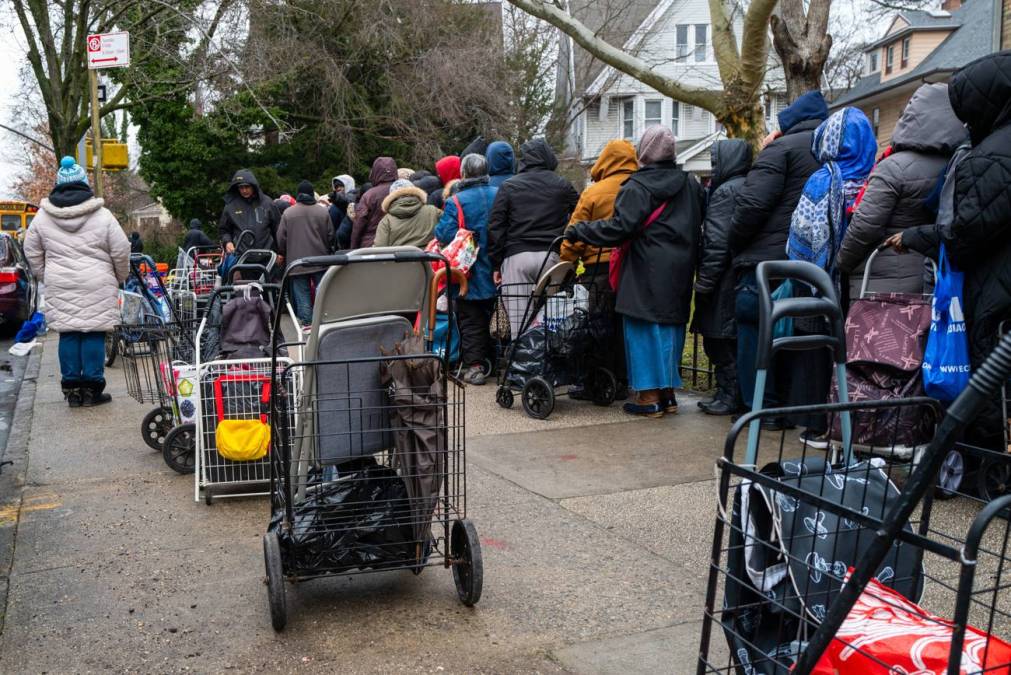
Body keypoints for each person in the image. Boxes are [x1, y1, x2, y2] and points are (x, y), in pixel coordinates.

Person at [886, 51, 1011, 446]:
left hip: (996, 292)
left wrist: (915, 238)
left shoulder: (990, 156)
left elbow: (964, 237)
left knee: (992, 381)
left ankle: (988, 475)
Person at [567, 126, 704, 417]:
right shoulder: (690, 184)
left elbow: (620, 228)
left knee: (642, 329)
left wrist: (582, 230)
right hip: (680, 268)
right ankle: (668, 394)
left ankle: (648, 397)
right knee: (670, 327)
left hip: (645, 267)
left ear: (644, 152)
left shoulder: (636, 187)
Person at [728, 90, 827, 428]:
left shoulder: (779, 151)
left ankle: (760, 410)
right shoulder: (830, 152)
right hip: (812, 263)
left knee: (754, 334)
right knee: (797, 336)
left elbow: (750, 207)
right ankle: (790, 407)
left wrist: (736, 246)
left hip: (764, 262)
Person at [784, 106, 876, 446]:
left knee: (817, 352)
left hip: (819, 284)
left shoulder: (821, 179)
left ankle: (818, 425)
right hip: (863, 284)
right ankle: (851, 423)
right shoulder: (875, 176)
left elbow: (800, 236)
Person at [836, 83, 968, 297]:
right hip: (931, 278)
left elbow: (864, 228)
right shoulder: (958, 164)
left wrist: (841, 262)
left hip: (881, 285)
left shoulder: (892, 167)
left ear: (911, 117)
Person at [23, 156, 130, 407]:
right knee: (93, 331)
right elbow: (121, 250)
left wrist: (44, 274)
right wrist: (120, 275)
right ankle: (92, 391)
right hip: (97, 282)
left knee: (69, 333)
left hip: (60, 282)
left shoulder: (43, 217)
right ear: (84, 183)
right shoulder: (103, 215)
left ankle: (72, 390)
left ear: (58, 185)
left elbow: (31, 250)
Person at [559, 138, 639, 398]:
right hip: (634, 267)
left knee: (598, 326)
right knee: (625, 327)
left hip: (599, 270)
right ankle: (624, 379)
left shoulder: (593, 193)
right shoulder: (640, 188)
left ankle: (598, 382)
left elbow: (575, 234)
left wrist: (567, 263)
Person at [488, 138, 578, 337]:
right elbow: (581, 213)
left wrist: (496, 263)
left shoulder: (509, 186)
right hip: (553, 259)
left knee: (520, 323)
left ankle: (523, 361)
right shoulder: (562, 185)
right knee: (553, 318)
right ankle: (549, 360)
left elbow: (496, 227)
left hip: (517, 258)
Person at [692, 139, 753, 416]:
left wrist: (704, 282)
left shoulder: (725, 192)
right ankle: (730, 393)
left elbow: (716, 241)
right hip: (736, 273)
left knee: (719, 339)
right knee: (732, 340)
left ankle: (729, 395)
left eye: (715, 162)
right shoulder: (747, 185)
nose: (713, 167)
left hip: (723, 278)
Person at [434, 154, 498, 385]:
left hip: (467, 271)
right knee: (497, 316)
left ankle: (475, 366)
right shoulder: (499, 193)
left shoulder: (456, 201)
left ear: (464, 173)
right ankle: (498, 361)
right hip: (497, 266)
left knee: (471, 319)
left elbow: (443, 234)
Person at [277, 180, 334, 324]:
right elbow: (331, 236)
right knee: (323, 292)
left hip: (297, 262)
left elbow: (281, 238)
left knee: (302, 294)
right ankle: (324, 321)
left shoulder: (288, 213)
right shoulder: (323, 212)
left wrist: (283, 253)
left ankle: (308, 324)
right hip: (320, 260)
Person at [219, 168, 280, 255]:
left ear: (253, 186)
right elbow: (224, 230)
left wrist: (280, 252)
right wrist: (227, 242)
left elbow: (277, 229)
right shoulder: (230, 206)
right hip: (240, 258)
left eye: (247, 186)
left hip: (267, 256)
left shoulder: (268, 203)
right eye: (241, 187)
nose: (244, 190)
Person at [374, 178, 441, 248]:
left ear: (391, 197)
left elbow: (380, 247)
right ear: (416, 192)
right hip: (430, 257)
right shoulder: (433, 211)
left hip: (398, 258)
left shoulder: (387, 220)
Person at [350, 157, 398, 249]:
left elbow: (359, 224)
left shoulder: (369, 195)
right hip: (399, 244)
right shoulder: (404, 191)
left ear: (375, 172)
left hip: (372, 245)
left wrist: (353, 248)